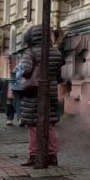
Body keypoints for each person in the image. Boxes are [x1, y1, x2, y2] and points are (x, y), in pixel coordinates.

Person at [18, 25, 64, 167]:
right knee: (49, 124)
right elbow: (60, 75)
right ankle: (52, 155)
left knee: (33, 125)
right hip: (50, 92)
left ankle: (33, 155)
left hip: (34, 92)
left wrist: (20, 71)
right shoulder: (56, 53)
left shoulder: (30, 52)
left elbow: (26, 70)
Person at [5, 56, 24, 126]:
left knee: (15, 101)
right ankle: (20, 118)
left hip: (16, 85)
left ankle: (16, 118)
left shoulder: (18, 64)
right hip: (21, 85)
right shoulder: (26, 63)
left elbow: (14, 75)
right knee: (17, 101)